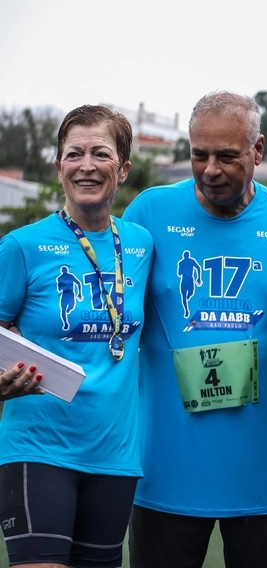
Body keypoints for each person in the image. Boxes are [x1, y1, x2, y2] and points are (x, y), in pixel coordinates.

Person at [123, 91, 267, 568]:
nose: (211, 169)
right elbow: (111, 314)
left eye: (228, 156)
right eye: (198, 154)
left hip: (263, 476)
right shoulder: (148, 213)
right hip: (163, 474)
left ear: (258, 150)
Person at [0, 105, 153, 568]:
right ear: (59, 166)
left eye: (100, 153)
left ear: (122, 168)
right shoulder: (22, 247)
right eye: (74, 153)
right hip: (38, 448)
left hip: (115, 456)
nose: (86, 165)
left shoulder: (142, 245)